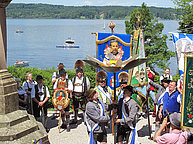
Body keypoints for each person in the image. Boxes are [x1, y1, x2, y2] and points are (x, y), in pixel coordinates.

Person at [71, 60, 90, 124]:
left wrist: (85, 93)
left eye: (80, 72)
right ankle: (75, 119)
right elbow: (71, 87)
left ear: (82, 72)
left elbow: (88, 86)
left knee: (84, 108)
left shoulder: (85, 78)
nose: (79, 73)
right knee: (75, 108)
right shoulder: (74, 79)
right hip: (75, 94)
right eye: (78, 72)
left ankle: (85, 120)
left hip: (82, 95)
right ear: (76, 73)